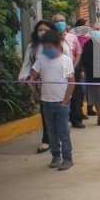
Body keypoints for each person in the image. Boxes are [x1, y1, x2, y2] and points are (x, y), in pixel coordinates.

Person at [28, 29, 76, 171]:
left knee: (63, 131)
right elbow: (33, 75)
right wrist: (32, 85)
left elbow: (72, 82)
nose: (47, 50)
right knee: (51, 132)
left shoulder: (66, 61)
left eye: (49, 47)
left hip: (61, 102)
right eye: (45, 47)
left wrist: (66, 101)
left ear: (57, 45)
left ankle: (67, 158)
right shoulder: (41, 59)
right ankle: (55, 156)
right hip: (46, 102)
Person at [19, 20, 56, 153]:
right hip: (40, 85)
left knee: (58, 112)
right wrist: (24, 77)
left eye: (45, 30)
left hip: (56, 83)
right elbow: (27, 64)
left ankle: (59, 135)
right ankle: (46, 139)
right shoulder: (32, 46)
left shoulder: (59, 44)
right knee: (45, 111)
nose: (42, 32)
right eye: (40, 30)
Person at [53, 13, 85, 129]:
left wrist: (74, 66)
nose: (60, 23)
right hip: (57, 72)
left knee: (76, 95)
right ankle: (62, 120)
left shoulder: (72, 37)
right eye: (57, 21)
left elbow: (78, 52)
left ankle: (76, 119)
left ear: (66, 22)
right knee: (61, 95)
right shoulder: (51, 38)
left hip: (72, 70)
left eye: (62, 20)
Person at [79, 28, 100, 126]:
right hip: (93, 75)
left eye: (98, 29)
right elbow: (84, 60)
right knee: (97, 97)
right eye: (94, 29)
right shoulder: (87, 45)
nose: (96, 31)